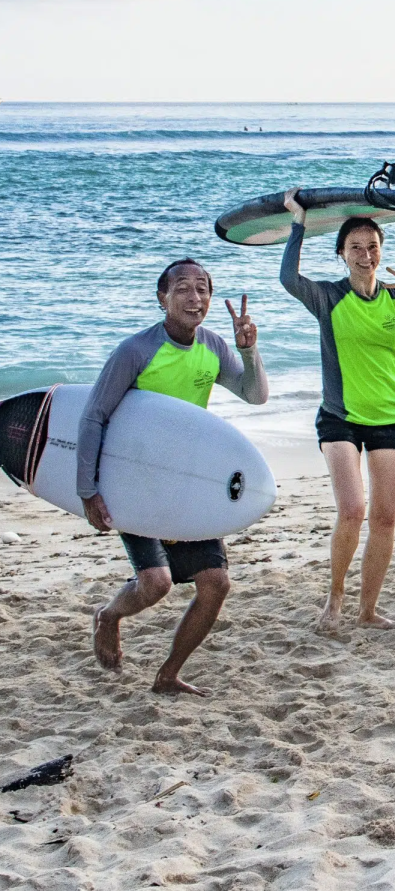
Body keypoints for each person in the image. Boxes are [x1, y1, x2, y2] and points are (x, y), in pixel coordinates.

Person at [279, 189, 395, 630]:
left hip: (390, 417)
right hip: (340, 417)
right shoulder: (327, 298)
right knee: (352, 510)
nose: (365, 255)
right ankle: (335, 597)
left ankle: (367, 610)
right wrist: (297, 224)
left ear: (381, 251)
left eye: (372, 247)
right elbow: (289, 279)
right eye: (356, 248)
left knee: (384, 519)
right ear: (342, 254)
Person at [81, 259, 269, 696]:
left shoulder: (213, 346)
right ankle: (109, 616)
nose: (194, 298)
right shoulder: (135, 350)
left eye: (202, 288)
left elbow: (255, 395)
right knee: (156, 584)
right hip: (134, 480)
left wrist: (247, 349)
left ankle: (168, 675)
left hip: (186, 480)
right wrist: (87, 489)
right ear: (162, 298)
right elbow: (94, 415)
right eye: (182, 288)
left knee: (216, 584)